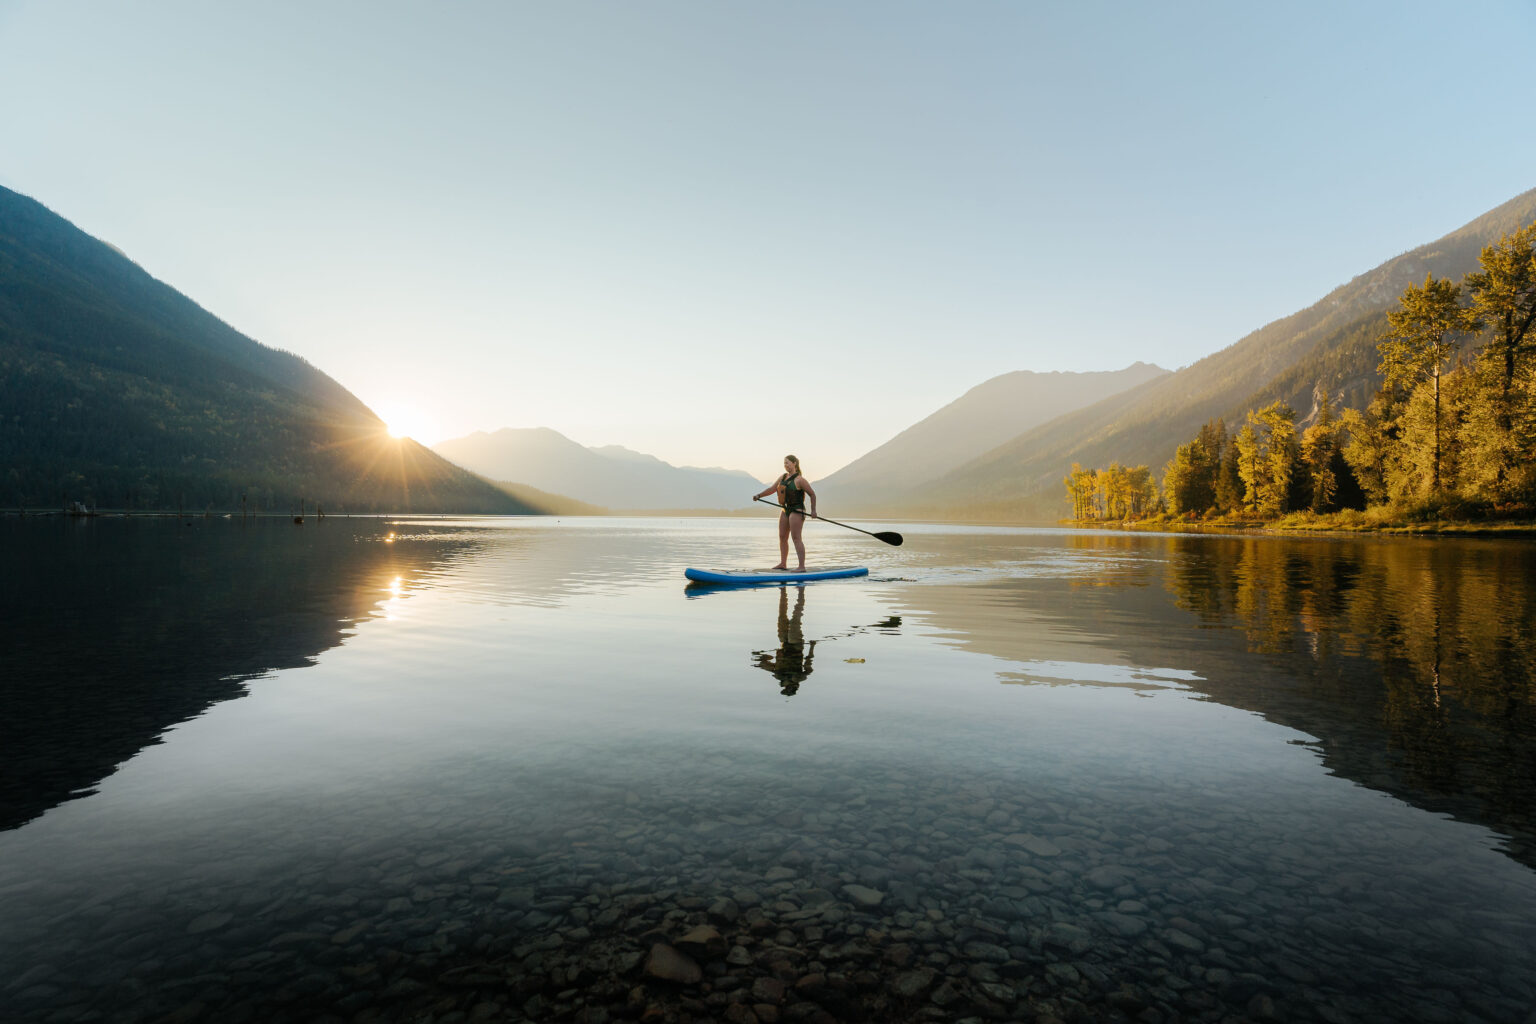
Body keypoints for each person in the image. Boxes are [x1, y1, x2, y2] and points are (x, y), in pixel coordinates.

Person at [753, 454, 818, 571]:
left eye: (787, 462)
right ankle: (783, 564)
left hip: (797, 510)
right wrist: (759, 495)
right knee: (782, 537)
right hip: (785, 510)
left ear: (794, 463)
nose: (785, 465)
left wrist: (813, 510)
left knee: (796, 538)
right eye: (784, 463)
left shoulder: (800, 480)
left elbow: (812, 494)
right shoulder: (782, 477)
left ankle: (801, 566)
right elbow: (772, 489)